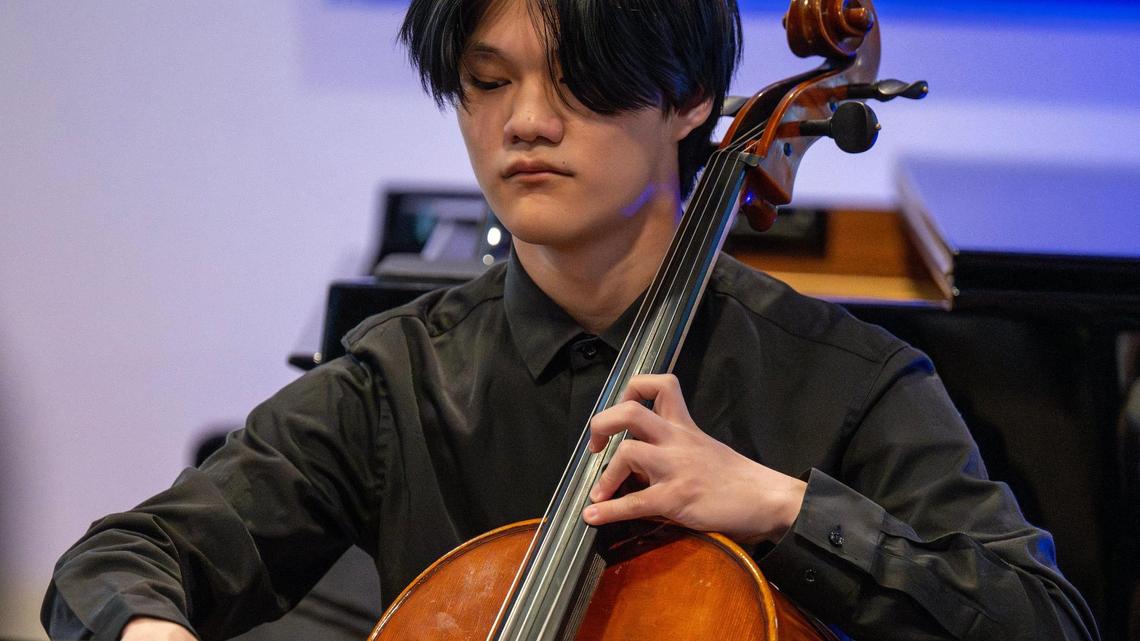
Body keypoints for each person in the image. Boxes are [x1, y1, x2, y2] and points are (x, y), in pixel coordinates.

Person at [43, 0, 1099, 639]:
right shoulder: (402, 379)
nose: (525, 123)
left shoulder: (850, 381)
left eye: (576, 83)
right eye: (485, 82)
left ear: (690, 100)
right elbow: (122, 558)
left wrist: (779, 505)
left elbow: (1041, 617)